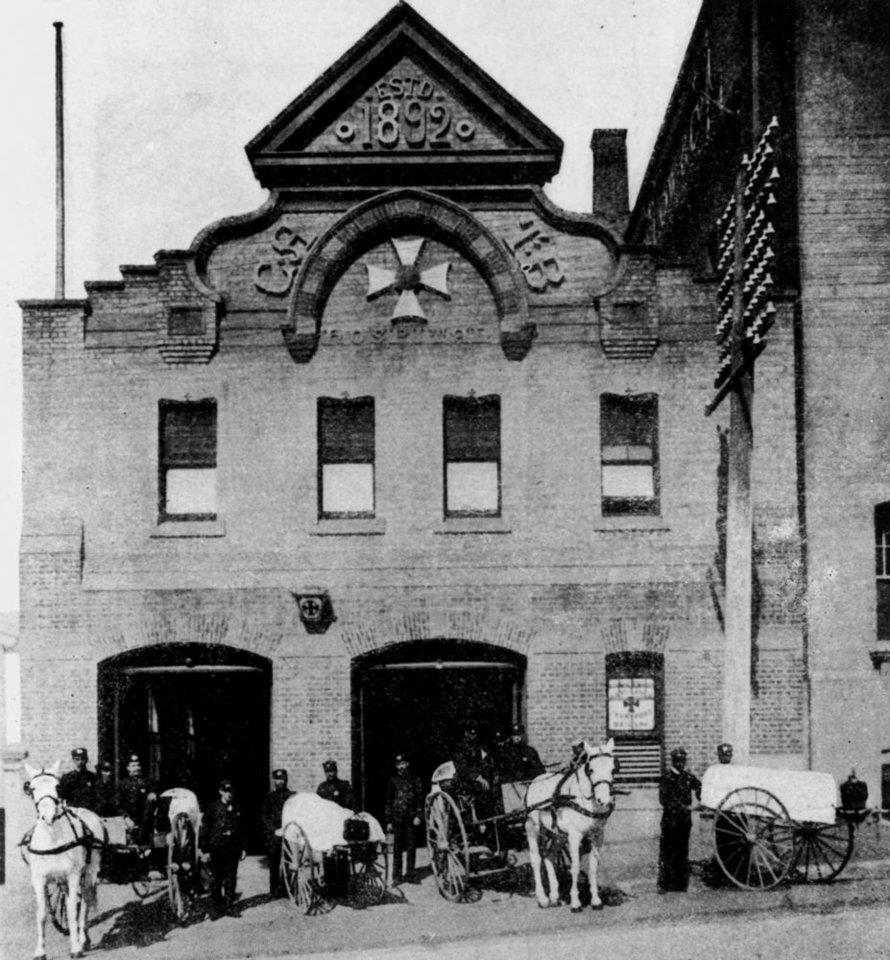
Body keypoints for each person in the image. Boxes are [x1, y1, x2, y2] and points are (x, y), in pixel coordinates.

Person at [658, 747, 701, 893]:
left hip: (684, 822)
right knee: (667, 852)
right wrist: (683, 807)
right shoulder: (666, 778)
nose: (680, 764)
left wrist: (702, 800)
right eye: (677, 761)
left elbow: (700, 787)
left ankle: (680, 885)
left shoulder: (688, 777)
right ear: (673, 761)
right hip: (670, 821)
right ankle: (664, 885)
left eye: (682, 761)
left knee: (682, 852)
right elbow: (663, 800)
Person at [202, 779, 245, 919]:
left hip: (232, 848)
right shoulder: (213, 807)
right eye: (226, 791)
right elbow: (206, 830)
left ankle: (229, 906)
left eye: (231, 791)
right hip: (216, 848)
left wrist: (243, 848)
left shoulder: (237, 807)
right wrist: (205, 850)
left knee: (231, 878)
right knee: (216, 879)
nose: (229, 794)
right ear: (221, 791)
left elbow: (241, 830)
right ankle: (215, 908)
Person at [384, 755, 424, 885]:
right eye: (399, 764)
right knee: (397, 848)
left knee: (411, 847)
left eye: (404, 763)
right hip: (397, 819)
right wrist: (388, 820)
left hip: (411, 818)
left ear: (408, 764)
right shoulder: (393, 780)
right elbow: (389, 801)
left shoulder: (415, 779)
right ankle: (396, 876)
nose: (402, 766)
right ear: (396, 766)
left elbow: (419, 798)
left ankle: (410, 874)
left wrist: (419, 815)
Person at [261, 769, 294, 897]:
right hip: (274, 834)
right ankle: (274, 889)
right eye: (277, 779)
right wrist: (273, 830)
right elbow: (264, 816)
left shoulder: (291, 796)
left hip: (288, 833)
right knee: (274, 863)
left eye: (282, 779)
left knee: (287, 861)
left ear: (286, 780)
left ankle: (286, 887)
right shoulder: (270, 797)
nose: (279, 782)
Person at [118, 753, 158, 845]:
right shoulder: (122, 784)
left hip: (145, 821)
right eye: (133, 765)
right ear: (128, 768)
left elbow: (154, 796)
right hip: (128, 821)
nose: (137, 768)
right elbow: (118, 804)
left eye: (138, 765)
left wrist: (153, 794)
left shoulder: (148, 783)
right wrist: (126, 818)